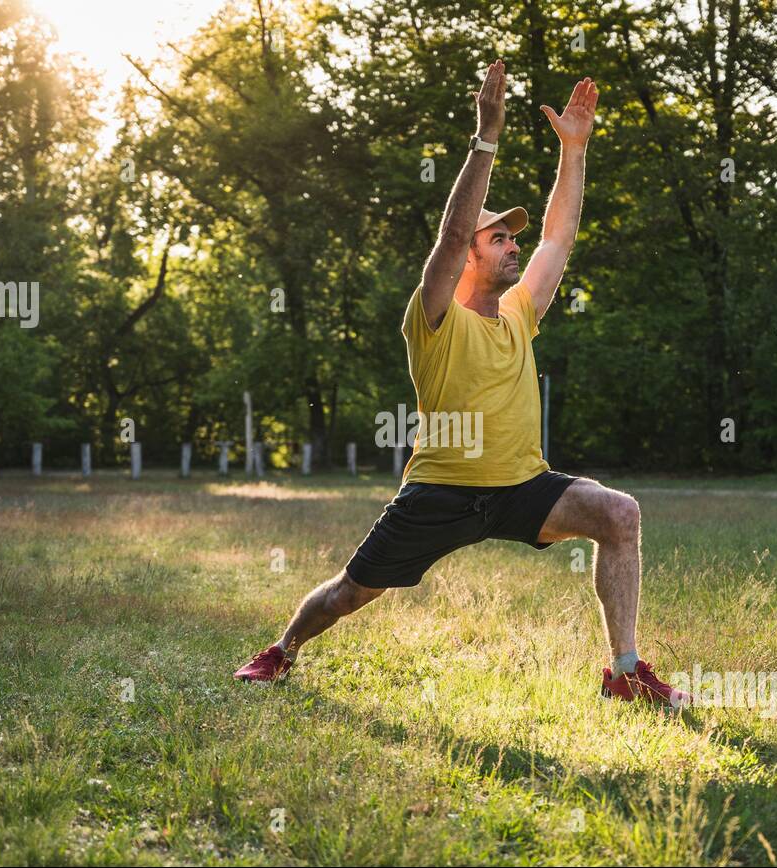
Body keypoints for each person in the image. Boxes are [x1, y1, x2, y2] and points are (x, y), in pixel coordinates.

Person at [235, 61, 687, 706]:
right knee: (349, 593)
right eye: (497, 238)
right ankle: (282, 652)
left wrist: (575, 151)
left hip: (521, 486)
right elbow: (451, 232)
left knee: (619, 513)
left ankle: (623, 670)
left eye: (512, 240)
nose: (511, 248)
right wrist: (487, 134)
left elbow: (559, 236)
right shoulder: (435, 316)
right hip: (441, 493)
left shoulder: (518, 314)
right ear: (468, 256)